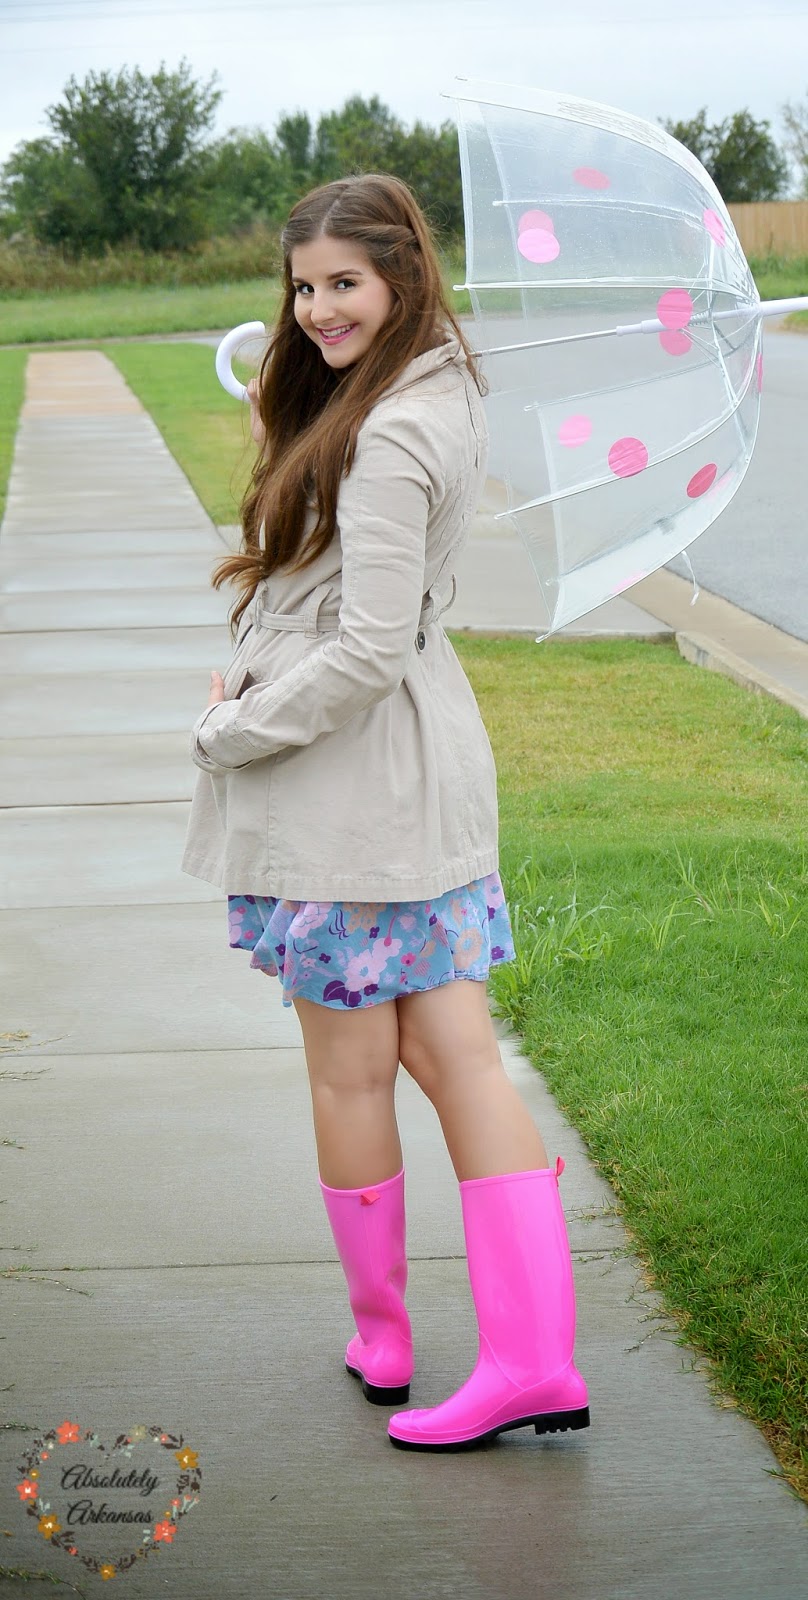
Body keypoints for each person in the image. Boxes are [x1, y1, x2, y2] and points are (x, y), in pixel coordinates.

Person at [181, 173, 589, 1452]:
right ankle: (520, 1356)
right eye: (303, 287)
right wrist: (301, 417)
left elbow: (362, 648)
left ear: (402, 275)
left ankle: (401, 1339)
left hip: (354, 789)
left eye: (344, 284)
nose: (317, 309)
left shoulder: (392, 434)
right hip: (410, 773)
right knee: (450, 1052)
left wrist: (233, 728)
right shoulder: (426, 393)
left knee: (358, 1065)